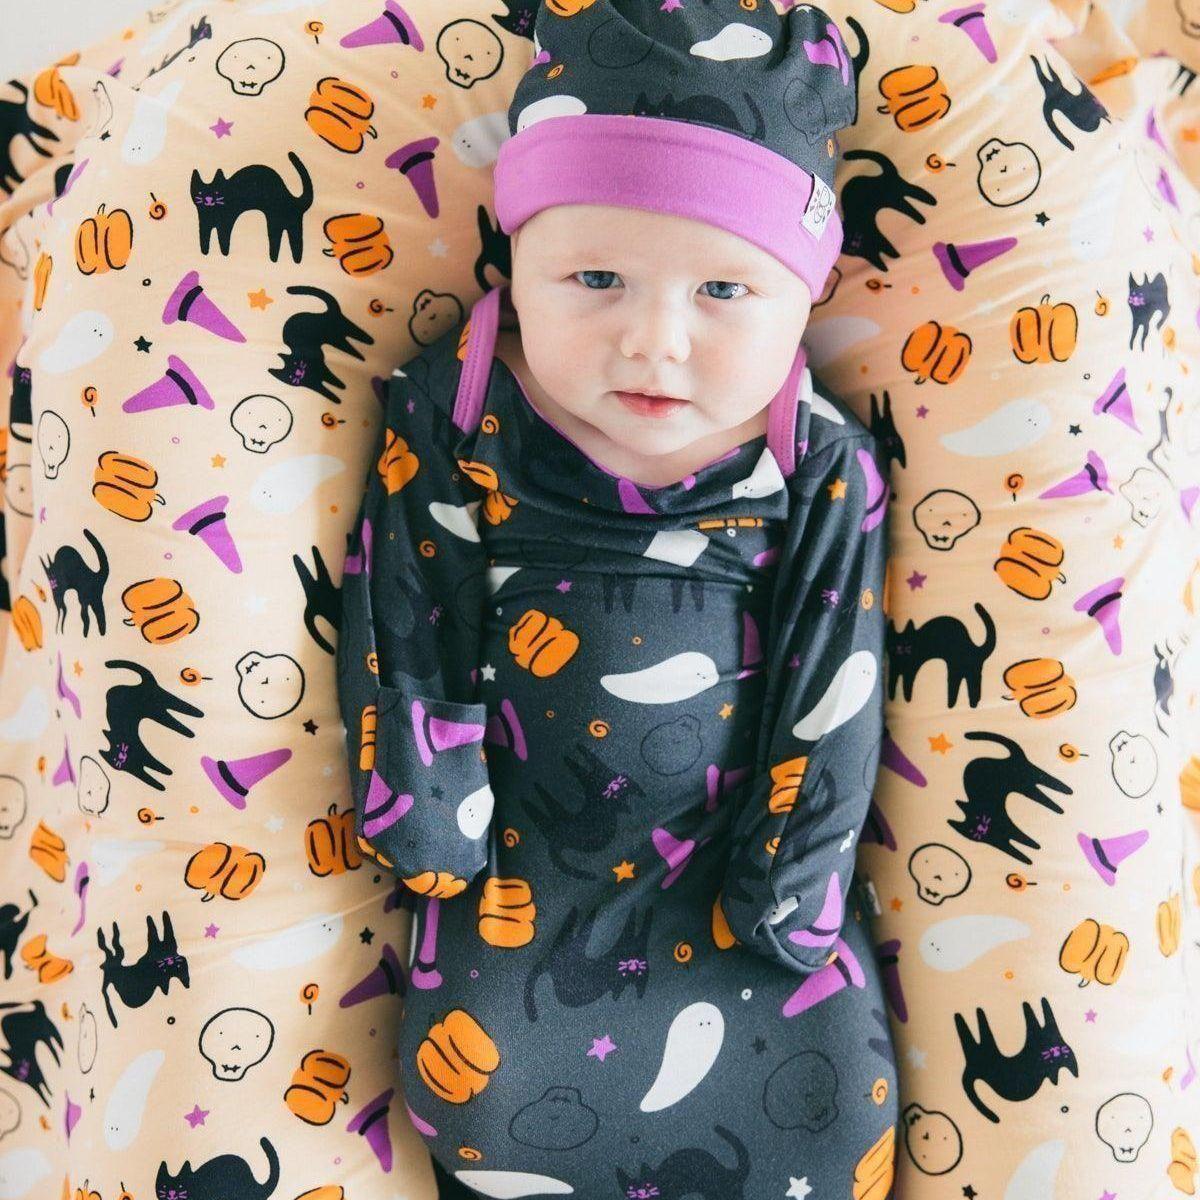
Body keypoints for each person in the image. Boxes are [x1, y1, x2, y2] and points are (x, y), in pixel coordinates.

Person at [335, 1, 897, 1194]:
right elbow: (408, 597)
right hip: (525, 872)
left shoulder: (814, 461)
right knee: (484, 1093)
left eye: (725, 292)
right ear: (517, 262)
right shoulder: (461, 411)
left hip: (735, 872)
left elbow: (836, 668)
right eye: (595, 278)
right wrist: (425, 802)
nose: (655, 341)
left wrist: (796, 879)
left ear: (805, 296)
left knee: (831, 1110)